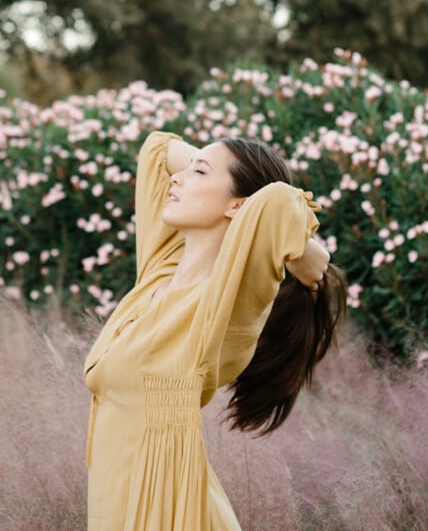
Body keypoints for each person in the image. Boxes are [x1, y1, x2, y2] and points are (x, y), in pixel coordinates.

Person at [83, 130, 346, 530]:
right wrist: (207, 166)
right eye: (186, 170)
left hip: (168, 509)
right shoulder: (159, 271)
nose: (178, 178)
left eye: (199, 172)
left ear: (239, 206)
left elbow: (277, 203)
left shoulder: (226, 297)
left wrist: (310, 256)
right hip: (116, 507)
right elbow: (157, 150)